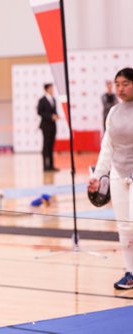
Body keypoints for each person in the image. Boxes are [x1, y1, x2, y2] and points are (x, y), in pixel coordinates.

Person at [88, 67, 133, 290]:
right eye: (117, 84)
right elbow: (107, 147)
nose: (120, 88)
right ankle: (130, 272)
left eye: (125, 83)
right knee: (124, 227)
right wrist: (98, 176)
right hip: (118, 175)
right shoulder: (113, 112)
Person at [37, 83, 59, 172]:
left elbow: (54, 111)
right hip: (45, 126)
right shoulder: (42, 100)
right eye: (50, 88)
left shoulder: (53, 99)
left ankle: (51, 165)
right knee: (46, 146)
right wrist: (50, 116)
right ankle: (45, 166)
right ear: (46, 89)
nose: (52, 90)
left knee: (51, 145)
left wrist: (56, 116)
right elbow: (40, 112)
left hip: (53, 125)